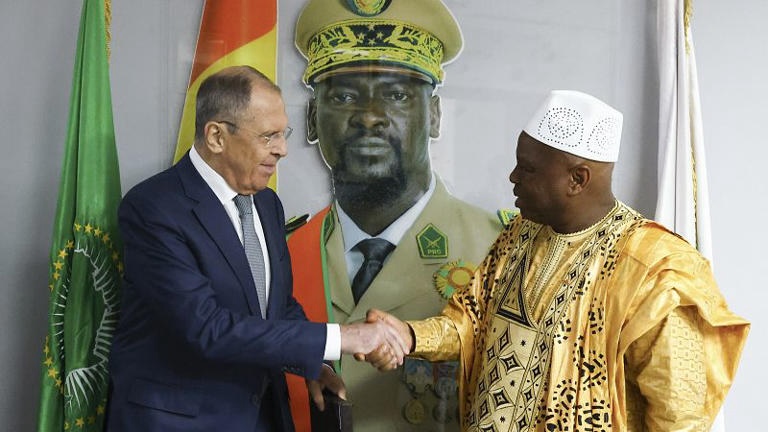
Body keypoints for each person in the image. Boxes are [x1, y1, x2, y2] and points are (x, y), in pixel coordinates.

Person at [366, 90, 750, 431]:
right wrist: (410, 336)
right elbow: (472, 319)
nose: (513, 176)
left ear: (578, 179)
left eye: (528, 168)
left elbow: (679, 418)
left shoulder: (654, 270)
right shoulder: (521, 233)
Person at [105, 66, 407, 432]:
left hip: (262, 418)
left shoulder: (266, 204)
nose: (281, 150)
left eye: (284, 134)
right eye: (269, 136)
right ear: (216, 136)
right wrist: (343, 338)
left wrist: (314, 364)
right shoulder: (155, 208)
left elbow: (276, 306)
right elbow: (207, 328)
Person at [287, 0, 505, 430]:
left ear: (436, 115)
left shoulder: (501, 248)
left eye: (398, 94)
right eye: (344, 95)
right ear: (312, 118)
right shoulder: (280, 250)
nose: (369, 116)